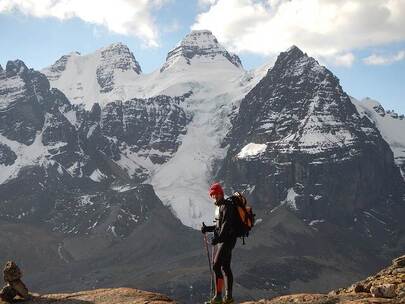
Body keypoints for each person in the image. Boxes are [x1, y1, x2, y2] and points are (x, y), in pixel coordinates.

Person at [201, 183, 237, 304]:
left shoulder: (227, 206)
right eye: (212, 195)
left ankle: (218, 297)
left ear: (221, 193)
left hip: (227, 241)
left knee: (216, 266)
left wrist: (218, 239)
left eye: (215, 194)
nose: (214, 197)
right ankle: (228, 298)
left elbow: (226, 225)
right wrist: (208, 229)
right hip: (226, 240)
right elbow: (219, 226)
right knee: (225, 267)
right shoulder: (221, 207)